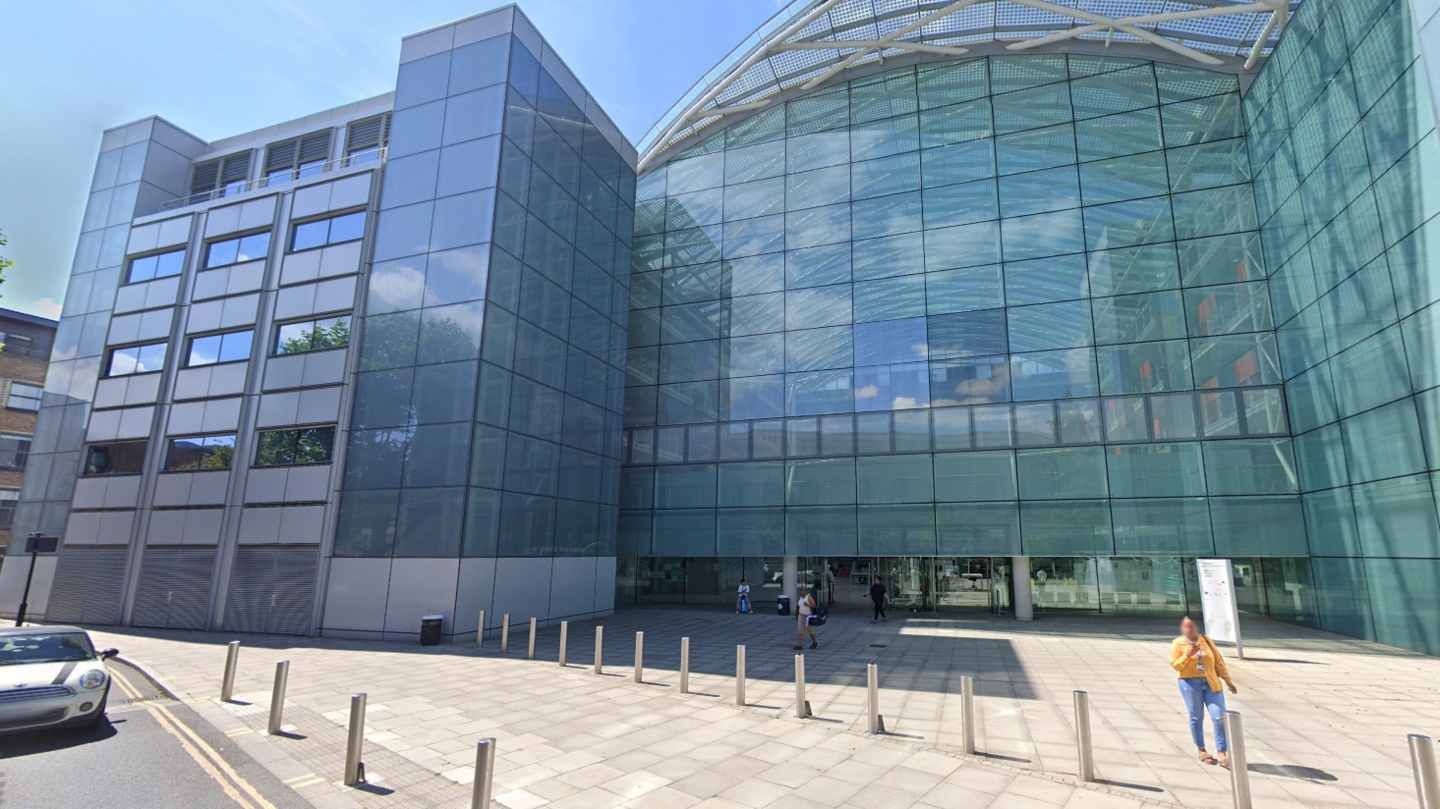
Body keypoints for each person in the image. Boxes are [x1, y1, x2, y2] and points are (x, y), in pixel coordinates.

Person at [1170, 616, 1238, 768]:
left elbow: (1218, 662)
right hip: (1190, 683)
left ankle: (1222, 752)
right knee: (1197, 716)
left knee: (1219, 717)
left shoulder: (1206, 640)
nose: (1190, 629)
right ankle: (1201, 749)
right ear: (1182, 628)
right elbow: (1176, 666)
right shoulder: (1177, 643)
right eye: (1186, 627)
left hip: (1211, 682)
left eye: (1192, 626)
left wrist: (1228, 681)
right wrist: (1187, 655)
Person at [794, 586, 818, 650]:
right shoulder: (799, 598)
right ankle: (800, 645)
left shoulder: (809, 598)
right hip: (801, 615)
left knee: (810, 630)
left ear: (806, 591)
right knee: (800, 630)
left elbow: (814, 605)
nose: (803, 591)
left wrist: (808, 604)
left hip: (808, 616)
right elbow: (798, 607)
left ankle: (815, 642)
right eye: (801, 590)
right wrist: (796, 615)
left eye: (804, 590)